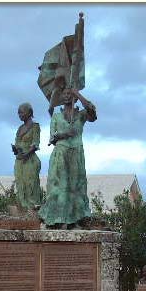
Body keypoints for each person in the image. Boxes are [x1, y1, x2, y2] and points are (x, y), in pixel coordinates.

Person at [39, 89, 96, 229]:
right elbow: (52, 138)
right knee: (59, 187)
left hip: (76, 153)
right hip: (61, 153)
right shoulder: (57, 117)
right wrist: (64, 134)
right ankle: (57, 219)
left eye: (69, 94)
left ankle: (74, 220)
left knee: (76, 186)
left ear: (74, 98)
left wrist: (77, 93)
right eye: (64, 94)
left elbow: (93, 114)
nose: (66, 96)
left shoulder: (81, 115)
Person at [11, 103, 42, 210]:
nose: (20, 115)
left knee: (31, 183)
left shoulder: (35, 126)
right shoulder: (20, 128)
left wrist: (27, 153)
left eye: (22, 112)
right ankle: (23, 209)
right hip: (19, 160)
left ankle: (33, 208)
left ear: (29, 112)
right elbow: (17, 143)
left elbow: (36, 143)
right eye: (18, 113)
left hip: (30, 159)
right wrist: (15, 149)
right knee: (20, 183)